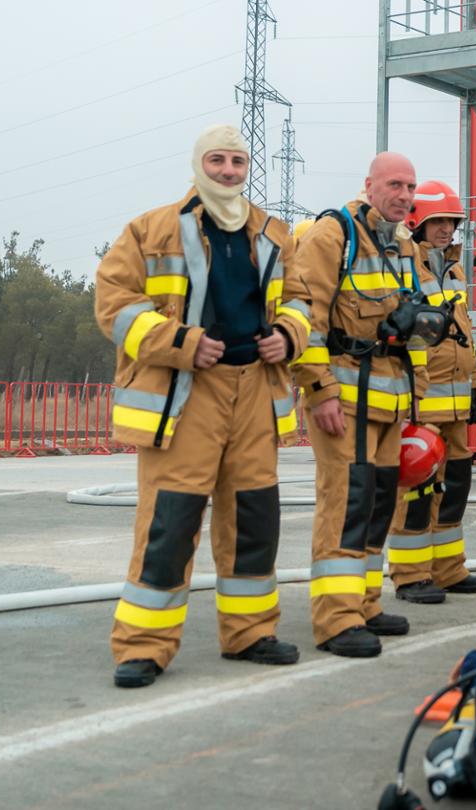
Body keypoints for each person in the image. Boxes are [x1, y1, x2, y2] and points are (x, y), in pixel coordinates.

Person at [94, 125, 309, 688]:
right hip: (187, 393)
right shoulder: (151, 229)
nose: (228, 171)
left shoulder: (273, 233)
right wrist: (183, 343)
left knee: (254, 522)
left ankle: (250, 632)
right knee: (170, 522)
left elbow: (303, 301)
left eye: (238, 161)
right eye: (217, 160)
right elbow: (114, 306)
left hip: (255, 390)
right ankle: (142, 646)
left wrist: (288, 334)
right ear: (198, 165)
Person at [289, 152, 434, 658]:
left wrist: (416, 391)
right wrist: (319, 389)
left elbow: (416, 320)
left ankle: (366, 602)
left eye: (411, 187)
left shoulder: (403, 245)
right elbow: (306, 319)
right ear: (369, 185)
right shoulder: (333, 236)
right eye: (395, 184)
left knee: (377, 505)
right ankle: (335, 618)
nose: (405, 196)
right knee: (345, 505)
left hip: (391, 401)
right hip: (344, 399)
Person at [385, 180, 476, 604]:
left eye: (451, 221)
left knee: (455, 487)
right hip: (422, 405)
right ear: (417, 224)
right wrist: (409, 399)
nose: (446, 229)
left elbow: (461, 336)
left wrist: (473, 387)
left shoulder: (454, 269)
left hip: (456, 405)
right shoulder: (404, 268)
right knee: (416, 489)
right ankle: (410, 575)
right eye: (437, 222)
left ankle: (448, 569)